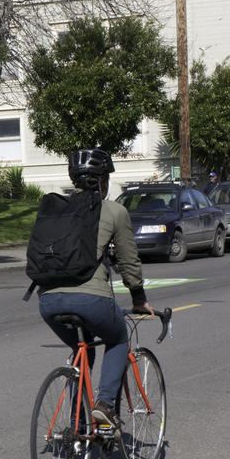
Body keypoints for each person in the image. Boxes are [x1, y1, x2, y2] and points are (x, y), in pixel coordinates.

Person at [38, 149, 152, 433]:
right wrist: (138, 298)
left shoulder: (56, 209)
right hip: (92, 299)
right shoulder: (114, 210)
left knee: (83, 351)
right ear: (104, 181)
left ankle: (77, 428)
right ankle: (104, 406)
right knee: (117, 339)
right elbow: (128, 259)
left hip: (48, 301)